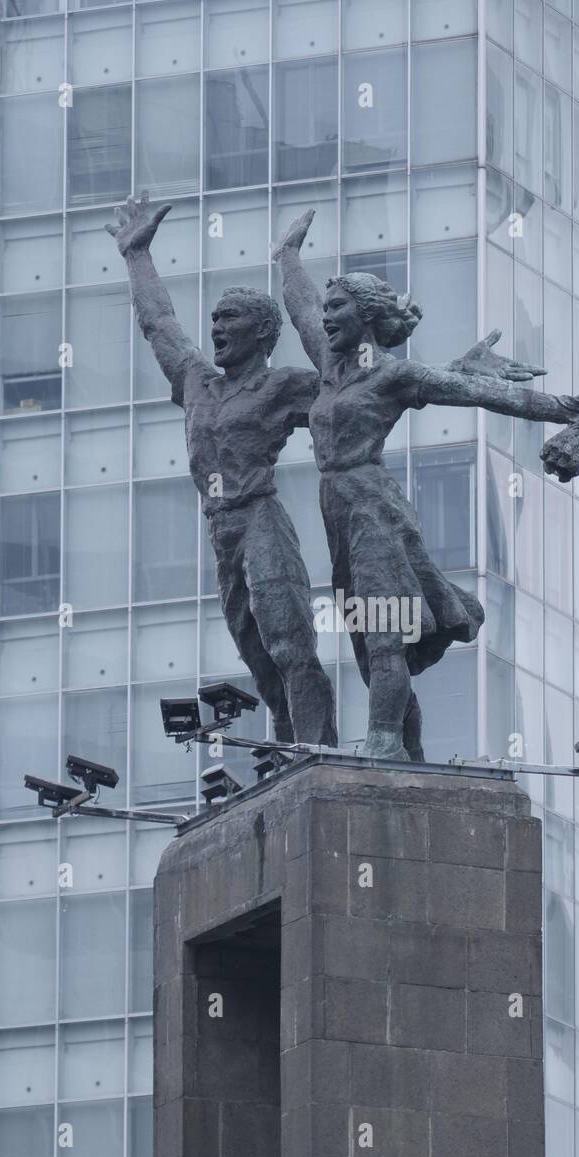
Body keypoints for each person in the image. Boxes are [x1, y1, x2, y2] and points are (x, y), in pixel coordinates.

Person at [272, 208, 579, 761]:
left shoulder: (393, 375)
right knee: (367, 638)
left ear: (366, 317)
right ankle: (407, 746)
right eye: (330, 307)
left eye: (340, 308)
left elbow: (485, 395)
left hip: (373, 512)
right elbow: (300, 306)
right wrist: (287, 254)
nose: (328, 317)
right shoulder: (329, 362)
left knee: (385, 630)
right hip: (336, 512)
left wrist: (574, 408)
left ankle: (384, 744)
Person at [108, 193, 337, 747]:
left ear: (262, 332)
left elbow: (353, 395)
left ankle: (315, 748)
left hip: (260, 519)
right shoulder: (195, 381)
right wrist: (137, 257)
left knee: (289, 643)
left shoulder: (282, 385)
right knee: (255, 653)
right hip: (221, 529)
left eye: (228, 317)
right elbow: (159, 323)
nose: (215, 326)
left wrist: (435, 378)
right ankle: (288, 749)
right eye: (213, 317)